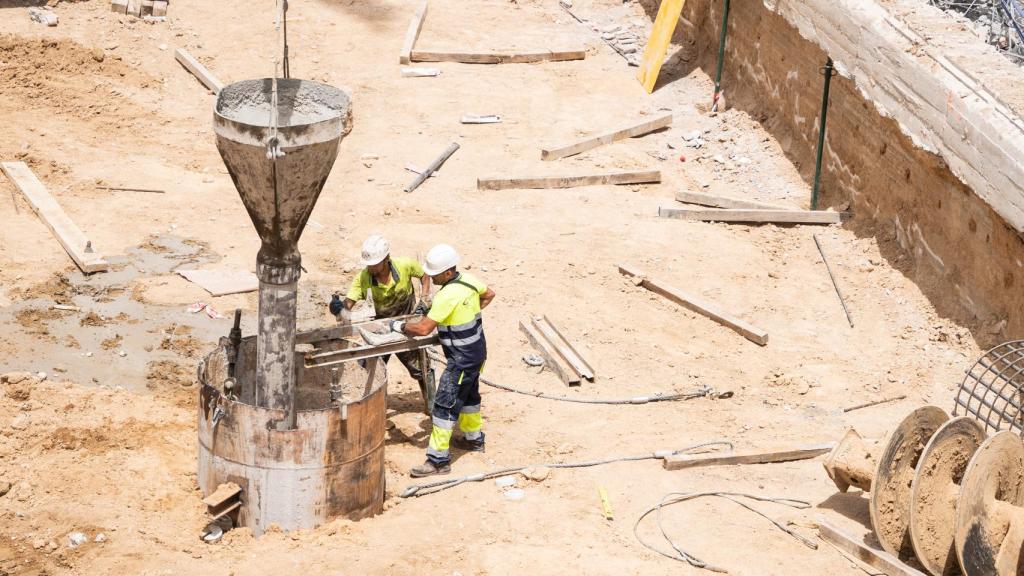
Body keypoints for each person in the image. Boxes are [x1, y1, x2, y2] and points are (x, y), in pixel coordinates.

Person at [392, 243, 495, 477]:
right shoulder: (468, 280)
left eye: (434, 273)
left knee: (444, 405)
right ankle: (474, 439)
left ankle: (438, 460)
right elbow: (489, 294)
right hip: (477, 352)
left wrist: (398, 325)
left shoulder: (446, 296)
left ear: (447, 272)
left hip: (460, 359)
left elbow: (423, 329)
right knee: (469, 396)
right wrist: (464, 315)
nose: (431, 276)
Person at [329, 234, 431, 381]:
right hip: (380, 329)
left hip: (407, 326)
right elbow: (348, 305)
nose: (370, 267)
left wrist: (424, 297)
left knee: (422, 370)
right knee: (367, 370)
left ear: (386, 259)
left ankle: (431, 400)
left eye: (374, 264)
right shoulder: (363, 278)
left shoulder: (404, 266)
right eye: (368, 264)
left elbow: (424, 275)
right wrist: (338, 309)